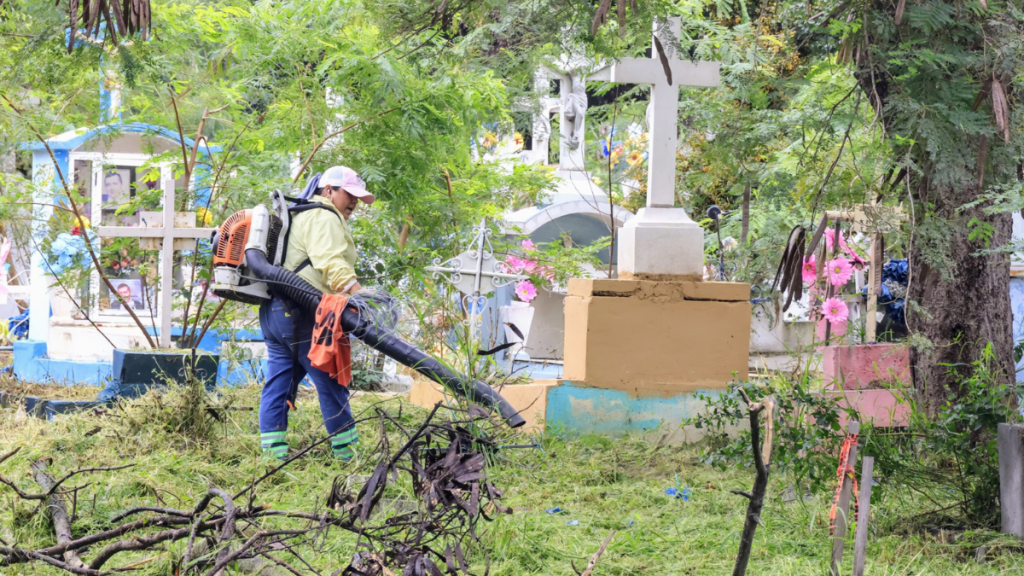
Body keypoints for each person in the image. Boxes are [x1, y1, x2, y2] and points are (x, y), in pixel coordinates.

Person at [258, 165, 375, 462]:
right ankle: (348, 456)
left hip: (275, 311)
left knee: (279, 381)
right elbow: (330, 262)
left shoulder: (300, 214)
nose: (354, 203)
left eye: (358, 198)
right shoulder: (324, 215)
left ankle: (272, 456)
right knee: (331, 380)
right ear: (328, 191)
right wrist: (359, 294)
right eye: (349, 194)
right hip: (304, 314)